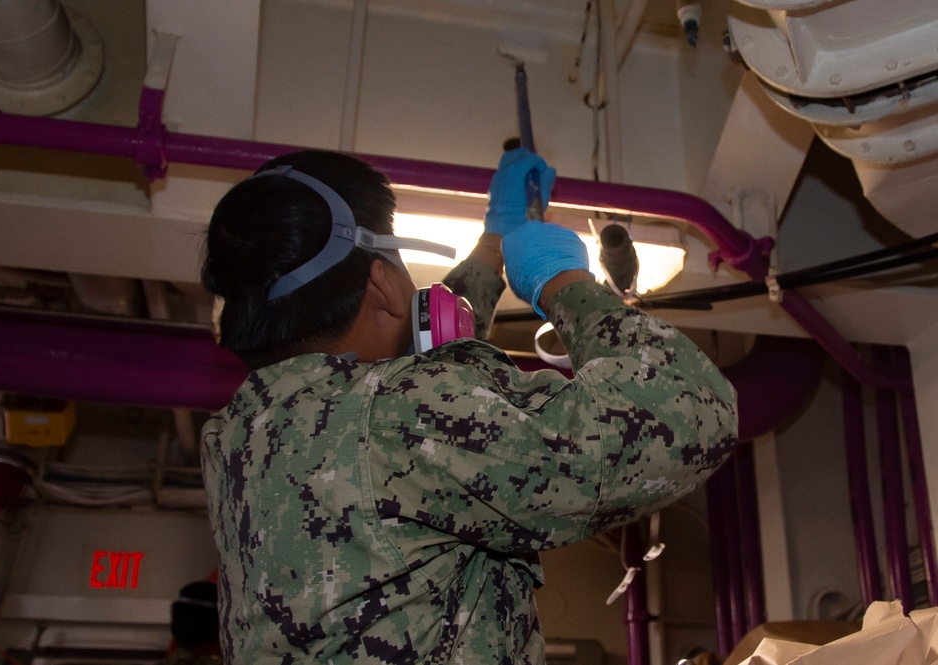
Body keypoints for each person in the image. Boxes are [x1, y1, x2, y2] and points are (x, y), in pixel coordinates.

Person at [199, 148, 737, 664]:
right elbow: (691, 410)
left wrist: (492, 247)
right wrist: (564, 282)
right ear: (383, 282)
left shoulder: (238, 436)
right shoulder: (397, 418)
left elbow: (419, 392)